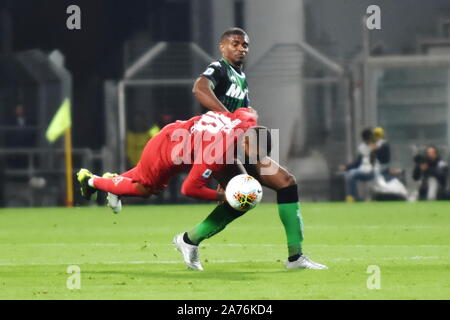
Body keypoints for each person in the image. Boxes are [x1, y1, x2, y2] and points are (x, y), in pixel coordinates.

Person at [192, 27, 326, 270]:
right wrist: (230, 118)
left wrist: (250, 138)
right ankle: (189, 240)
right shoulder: (218, 68)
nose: (241, 48)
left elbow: (244, 122)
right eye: (234, 43)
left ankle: (295, 257)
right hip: (214, 146)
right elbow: (200, 89)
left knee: (285, 182)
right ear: (222, 47)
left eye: (245, 45)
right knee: (244, 199)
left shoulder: (241, 78)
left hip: (235, 146)